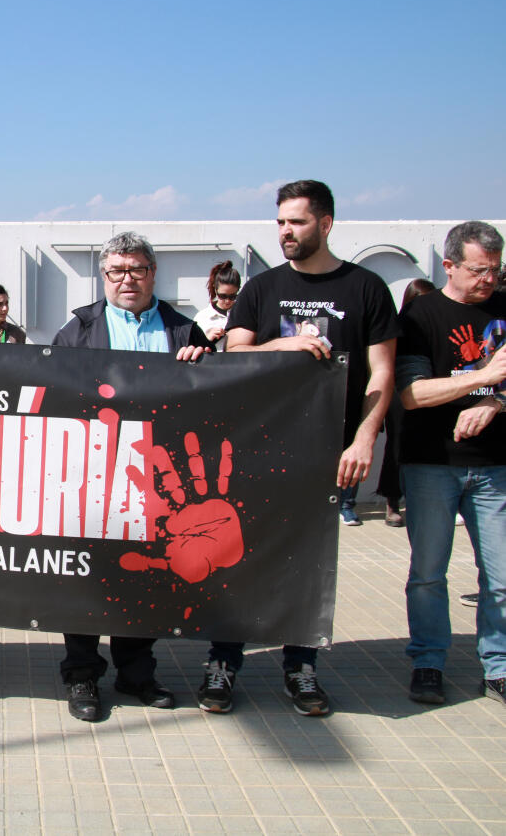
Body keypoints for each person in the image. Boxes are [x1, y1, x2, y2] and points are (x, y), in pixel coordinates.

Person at [201, 179, 398, 717]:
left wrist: (363, 437)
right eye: (281, 222)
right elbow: (236, 356)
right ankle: (223, 663)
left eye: (297, 222)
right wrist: (282, 344)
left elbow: (381, 373)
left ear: (326, 224)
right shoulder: (261, 289)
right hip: (255, 452)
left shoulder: (366, 289)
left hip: (324, 455)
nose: (286, 231)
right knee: (235, 558)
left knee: (307, 565)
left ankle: (301, 667)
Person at [51, 231, 208, 722]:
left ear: (153, 273)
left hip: (158, 479)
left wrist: (204, 365)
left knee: (146, 579)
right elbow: (50, 399)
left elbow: (215, 402)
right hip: (93, 476)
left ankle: (137, 672)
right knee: (87, 580)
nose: (127, 279)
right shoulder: (76, 332)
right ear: (103, 276)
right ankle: (82, 675)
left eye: (137, 269)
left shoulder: (184, 331)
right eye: (116, 271)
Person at [396, 222, 506, 707]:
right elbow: (413, 394)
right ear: (449, 265)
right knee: (428, 572)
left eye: (496, 270)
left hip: (497, 465)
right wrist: (482, 377)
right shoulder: (421, 315)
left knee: (500, 576)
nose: (488, 279)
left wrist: (496, 401)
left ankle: (498, 666)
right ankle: (428, 662)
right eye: (479, 270)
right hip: (431, 462)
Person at [377, 279, 437, 528]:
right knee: (396, 447)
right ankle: (392, 502)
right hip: (398, 393)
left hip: (429, 391)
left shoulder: (434, 324)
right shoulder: (399, 325)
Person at [192, 261, 242, 351]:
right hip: (213, 363)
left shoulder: (245, 314)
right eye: (222, 296)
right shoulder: (202, 318)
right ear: (215, 289)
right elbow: (193, 350)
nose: (227, 301)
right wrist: (207, 340)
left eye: (232, 296)